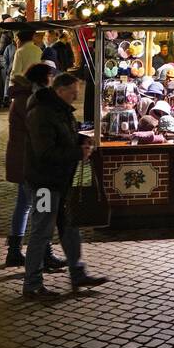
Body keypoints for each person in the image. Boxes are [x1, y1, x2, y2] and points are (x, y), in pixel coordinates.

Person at [22, 73, 109, 299]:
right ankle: (32, 284)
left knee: (70, 228)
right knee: (41, 232)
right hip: (44, 183)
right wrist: (76, 152)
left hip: (60, 182)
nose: (75, 97)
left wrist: (80, 139)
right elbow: (45, 152)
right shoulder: (42, 113)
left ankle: (78, 273)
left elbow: (63, 137)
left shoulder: (58, 110)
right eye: (73, 93)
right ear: (60, 91)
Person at [4, 62, 67, 271]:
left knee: (24, 205)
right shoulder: (31, 100)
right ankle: (42, 255)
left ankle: (15, 251)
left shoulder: (25, 97)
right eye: (51, 76)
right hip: (34, 164)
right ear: (44, 78)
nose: (53, 80)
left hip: (25, 160)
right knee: (43, 209)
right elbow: (40, 131)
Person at [0, 28, 16, 109]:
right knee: (4, 85)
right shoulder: (10, 47)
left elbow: (2, 51)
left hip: (9, 68)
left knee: (4, 84)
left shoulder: (11, 46)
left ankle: (4, 100)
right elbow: (6, 58)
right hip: (8, 69)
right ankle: (4, 100)